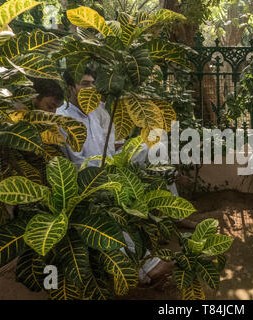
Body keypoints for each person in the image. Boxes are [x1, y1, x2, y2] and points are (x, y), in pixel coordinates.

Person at [57, 68, 173, 285]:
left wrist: (120, 151)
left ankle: (170, 213)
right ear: (70, 88)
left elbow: (108, 145)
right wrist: (108, 171)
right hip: (88, 180)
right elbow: (76, 163)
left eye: (92, 84)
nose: (90, 89)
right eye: (84, 84)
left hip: (110, 165)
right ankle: (148, 267)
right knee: (109, 209)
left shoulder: (95, 110)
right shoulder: (64, 118)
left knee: (155, 146)